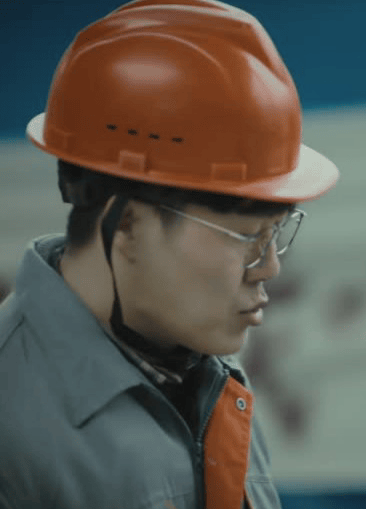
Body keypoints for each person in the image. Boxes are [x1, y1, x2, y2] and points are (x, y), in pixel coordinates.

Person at [0, 1, 339, 508]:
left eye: (276, 232)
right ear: (128, 223)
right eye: (247, 235)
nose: (270, 267)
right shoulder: (13, 423)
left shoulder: (211, 386)